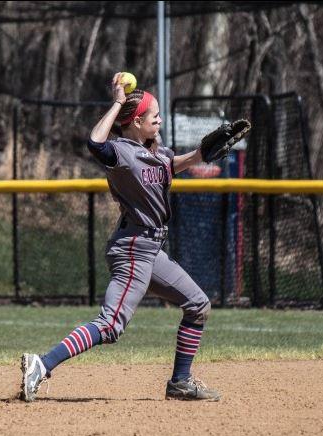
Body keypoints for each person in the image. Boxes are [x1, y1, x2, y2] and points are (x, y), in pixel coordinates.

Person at [19, 72, 220, 402]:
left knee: (198, 305)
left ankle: (180, 382)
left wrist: (202, 152)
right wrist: (116, 102)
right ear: (137, 122)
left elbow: (173, 165)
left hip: (152, 249)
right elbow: (95, 143)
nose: (160, 120)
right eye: (154, 116)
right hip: (133, 250)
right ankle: (42, 364)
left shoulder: (155, 152)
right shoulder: (121, 153)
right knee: (110, 325)